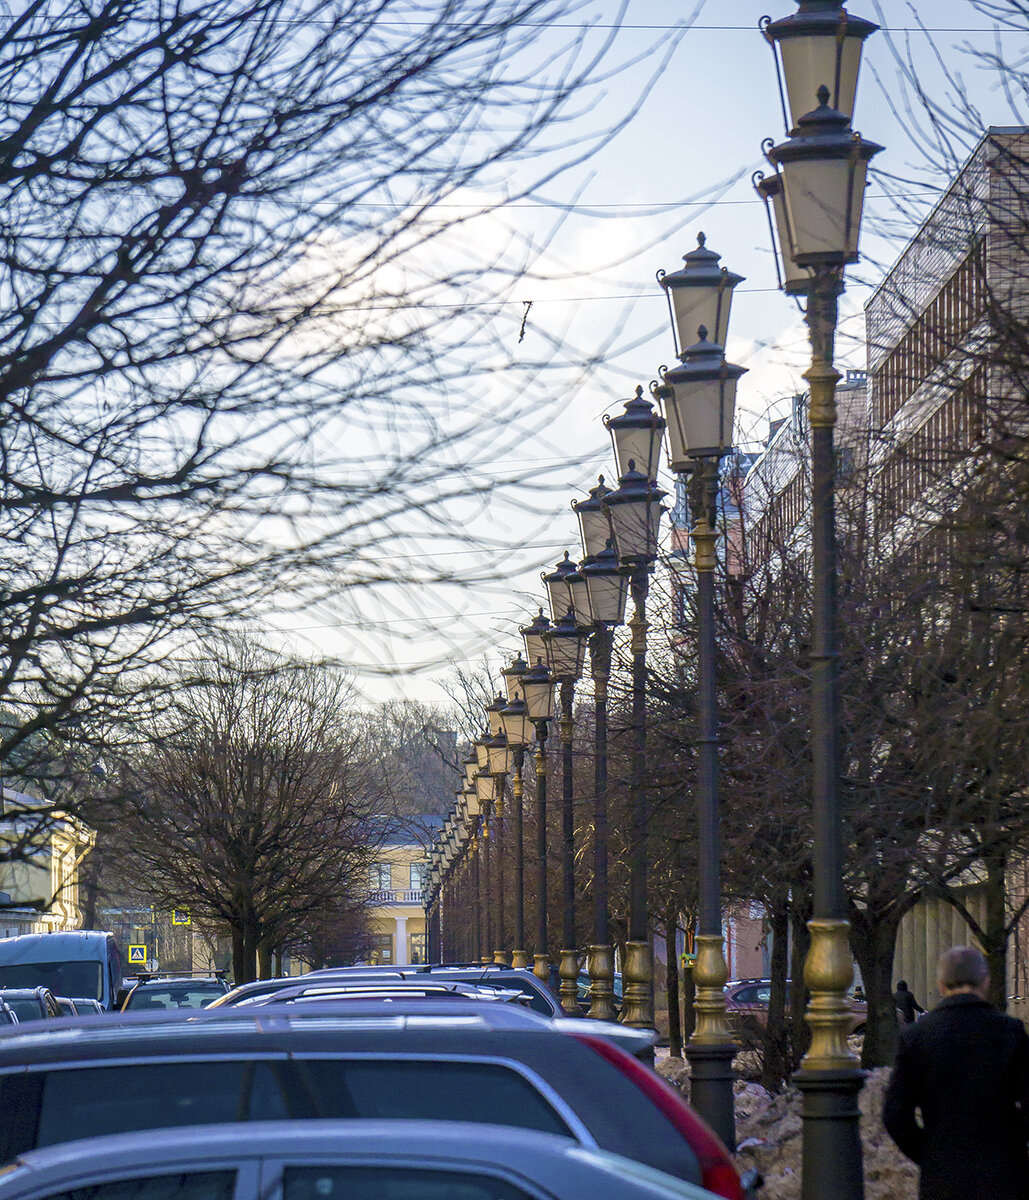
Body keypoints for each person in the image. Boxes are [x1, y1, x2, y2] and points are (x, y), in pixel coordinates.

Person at [883, 945, 1029, 1200]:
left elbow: (896, 1116)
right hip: (1004, 1176)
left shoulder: (916, 1037)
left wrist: (930, 1154)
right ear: (985, 982)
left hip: (943, 1179)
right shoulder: (1010, 1031)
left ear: (940, 985)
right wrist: (1014, 1148)